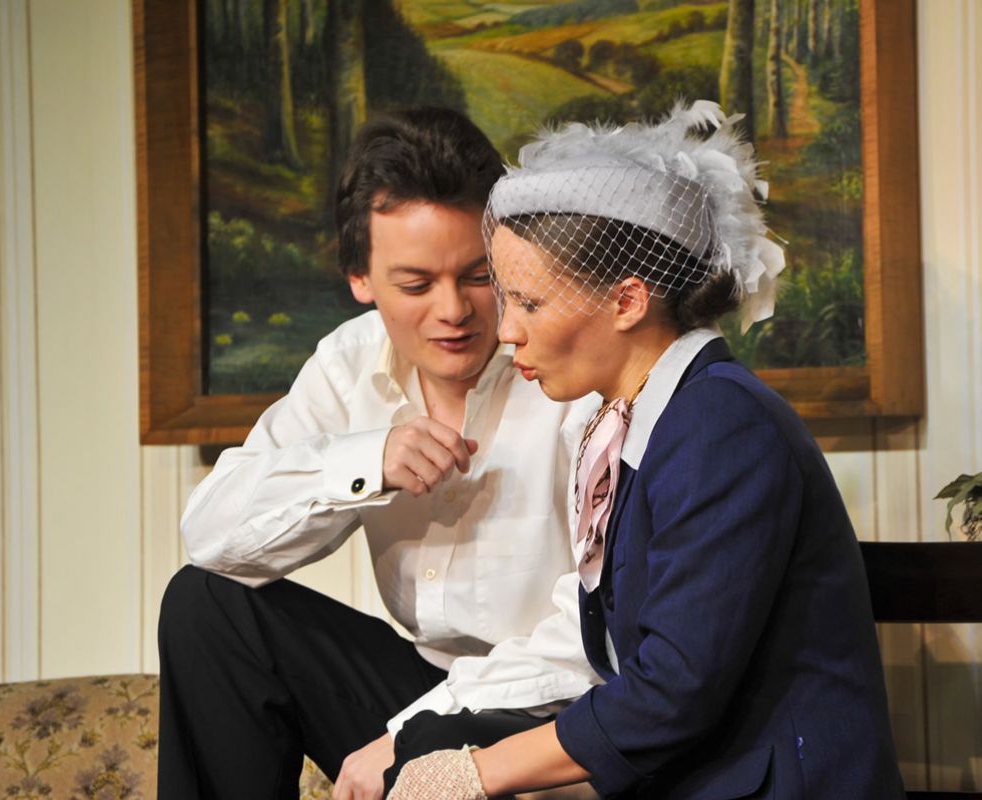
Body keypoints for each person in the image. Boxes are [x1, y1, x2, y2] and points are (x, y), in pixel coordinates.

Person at [389, 101, 904, 799]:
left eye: (530, 304)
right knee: (421, 742)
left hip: (776, 787)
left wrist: (478, 771)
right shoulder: (640, 422)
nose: (507, 332)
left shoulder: (720, 423)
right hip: (693, 775)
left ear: (627, 301)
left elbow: (673, 689)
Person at [156, 107, 602, 799]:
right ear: (359, 279)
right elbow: (212, 535)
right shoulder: (348, 364)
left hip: (557, 722)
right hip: (425, 689)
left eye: (478, 275)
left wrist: (411, 731)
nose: (453, 310)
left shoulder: (576, 377)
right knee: (205, 604)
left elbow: (600, 635)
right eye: (416, 285)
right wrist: (364, 464)